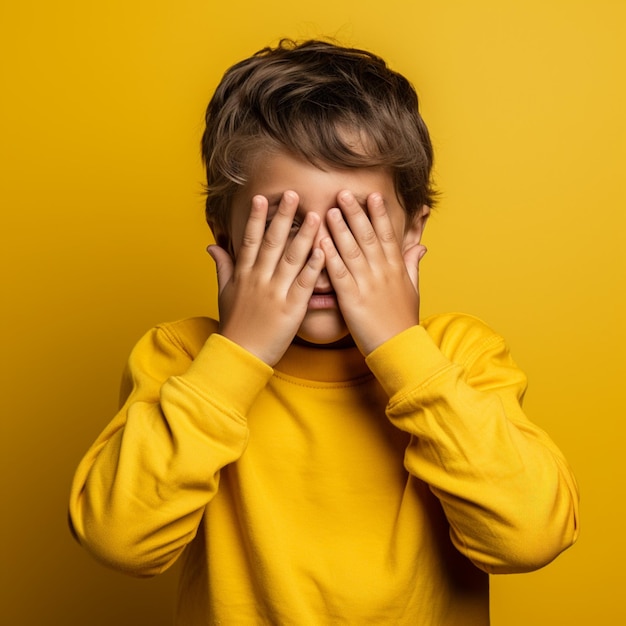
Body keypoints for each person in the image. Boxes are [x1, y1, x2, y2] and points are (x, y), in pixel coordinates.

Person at [69, 39, 579, 625]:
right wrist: (238, 354)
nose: (320, 254)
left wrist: (399, 349)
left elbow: (530, 538)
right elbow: (118, 541)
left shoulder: (458, 356)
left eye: (355, 222)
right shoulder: (184, 358)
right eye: (284, 223)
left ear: (413, 229)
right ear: (225, 229)